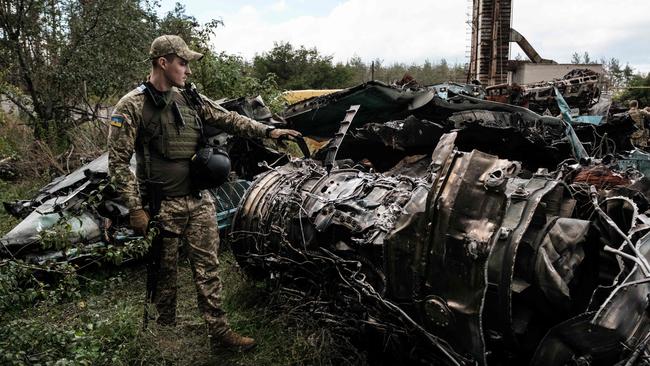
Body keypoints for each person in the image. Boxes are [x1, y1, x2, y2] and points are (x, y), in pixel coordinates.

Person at [107, 35, 301, 352]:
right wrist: (135, 209)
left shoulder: (191, 99)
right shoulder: (131, 106)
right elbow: (117, 162)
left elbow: (230, 118)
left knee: (208, 270)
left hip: (199, 200)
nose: (188, 70)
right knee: (165, 274)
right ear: (163, 62)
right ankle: (164, 335)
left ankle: (220, 333)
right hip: (162, 205)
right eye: (183, 63)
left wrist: (269, 130)